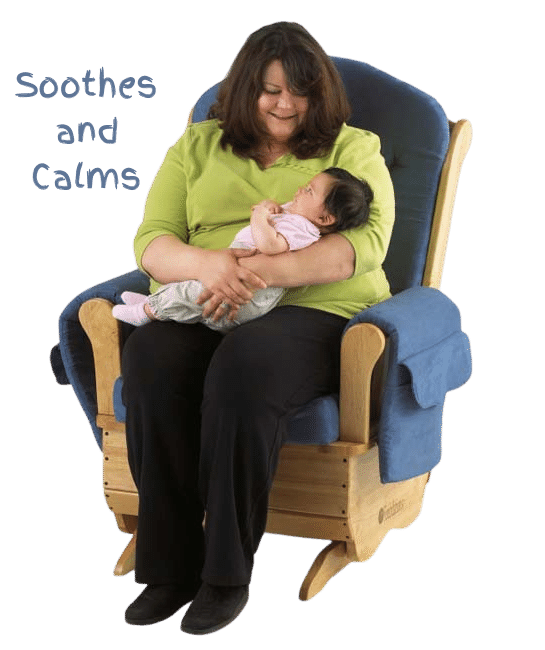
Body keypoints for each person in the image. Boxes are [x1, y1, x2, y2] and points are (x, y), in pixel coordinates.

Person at [121, 21, 395, 635]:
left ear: (318, 93)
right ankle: (168, 567)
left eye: (299, 90)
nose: (285, 104)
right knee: (152, 359)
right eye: (270, 89)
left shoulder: (354, 149)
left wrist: (261, 270)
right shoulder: (196, 145)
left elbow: (366, 246)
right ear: (245, 89)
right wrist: (212, 267)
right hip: (208, 291)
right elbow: (151, 240)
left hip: (316, 310)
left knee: (248, 364)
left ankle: (225, 575)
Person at [111, 168, 373, 331]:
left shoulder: (304, 229)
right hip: (242, 280)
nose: (299, 191)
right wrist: (271, 208)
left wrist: (259, 216)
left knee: (193, 294)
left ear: (325, 219)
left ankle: (149, 311)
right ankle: (155, 302)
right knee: (195, 293)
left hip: (252, 292)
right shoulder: (298, 214)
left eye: (309, 191)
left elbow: (270, 246)